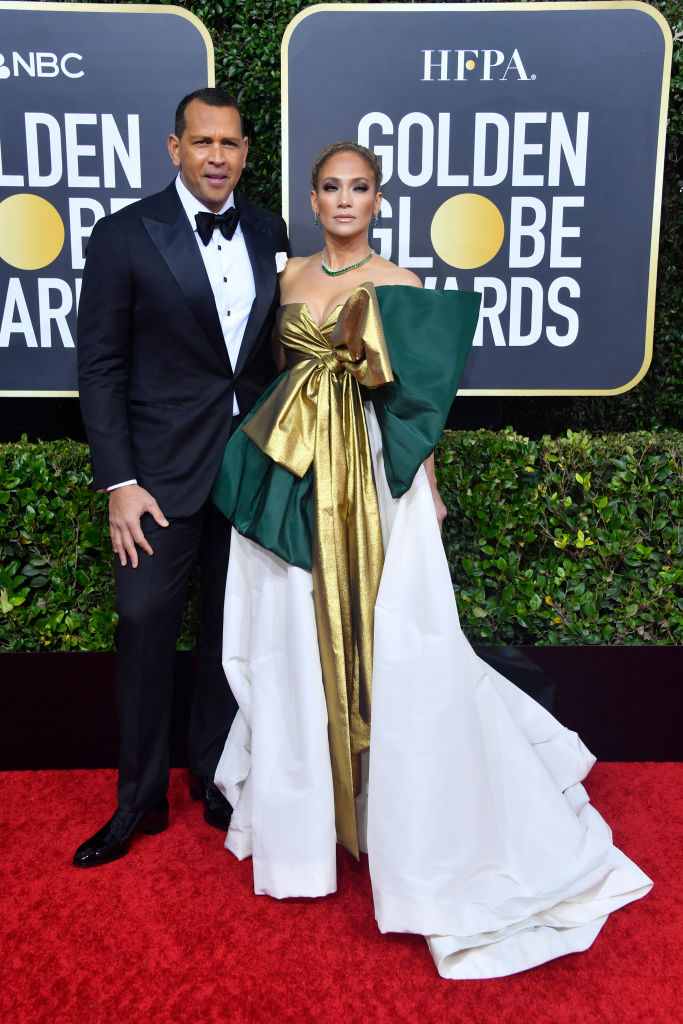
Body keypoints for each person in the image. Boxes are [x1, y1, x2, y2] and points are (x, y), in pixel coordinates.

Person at [211, 142, 651, 978]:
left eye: (360, 189)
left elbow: (419, 401)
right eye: (332, 188)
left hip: (375, 481)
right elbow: (275, 382)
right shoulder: (287, 277)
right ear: (312, 197)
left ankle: (404, 811)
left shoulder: (405, 285)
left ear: (378, 199)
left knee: (400, 640)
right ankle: (309, 815)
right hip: (296, 476)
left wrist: (430, 487)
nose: (345, 200)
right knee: (292, 636)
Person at [74, 88, 288, 868]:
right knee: (143, 627)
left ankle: (215, 775)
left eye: (230, 144)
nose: (218, 157)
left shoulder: (268, 230)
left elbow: (273, 356)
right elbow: (98, 367)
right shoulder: (125, 235)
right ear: (175, 149)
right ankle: (137, 802)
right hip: (156, 479)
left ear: (243, 152)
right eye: (203, 143)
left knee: (233, 635)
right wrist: (119, 481)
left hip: (246, 468)